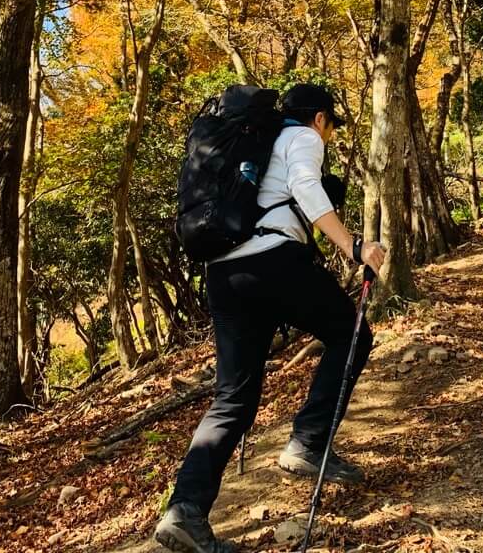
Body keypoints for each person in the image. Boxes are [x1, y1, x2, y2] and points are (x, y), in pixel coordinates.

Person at [155, 83, 387, 553]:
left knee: (233, 399)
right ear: (320, 119)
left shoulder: (252, 145)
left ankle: (185, 510)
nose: (330, 136)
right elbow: (304, 186)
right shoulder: (300, 138)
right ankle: (308, 441)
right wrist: (355, 246)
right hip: (273, 263)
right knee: (353, 335)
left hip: (224, 274)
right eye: (332, 126)